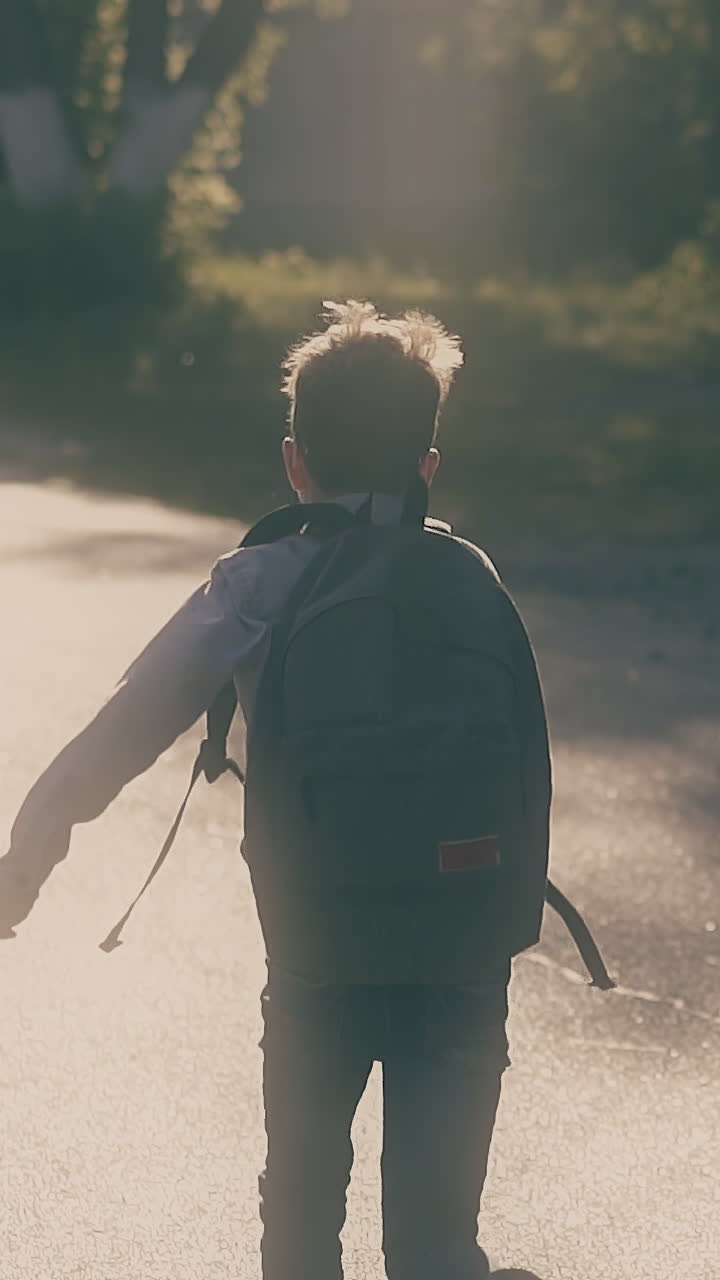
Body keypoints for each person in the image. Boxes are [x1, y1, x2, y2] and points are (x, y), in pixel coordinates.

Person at [0, 300, 552, 1280]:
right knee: (434, 1243)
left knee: (301, 1228)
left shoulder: (258, 582)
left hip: (320, 949)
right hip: (466, 940)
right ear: (428, 467)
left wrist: (25, 858)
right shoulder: (471, 575)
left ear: (296, 462)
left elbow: (117, 733)